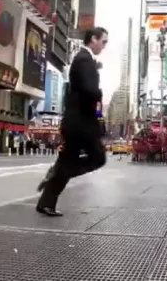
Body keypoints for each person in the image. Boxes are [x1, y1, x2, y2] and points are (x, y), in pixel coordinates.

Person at [36, 27, 108, 217]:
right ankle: (57, 175)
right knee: (98, 157)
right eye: (104, 41)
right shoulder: (84, 59)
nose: (104, 46)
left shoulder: (85, 59)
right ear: (93, 38)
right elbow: (88, 89)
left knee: (69, 161)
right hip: (80, 124)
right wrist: (98, 93)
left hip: (78, 122)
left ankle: (47, 199)